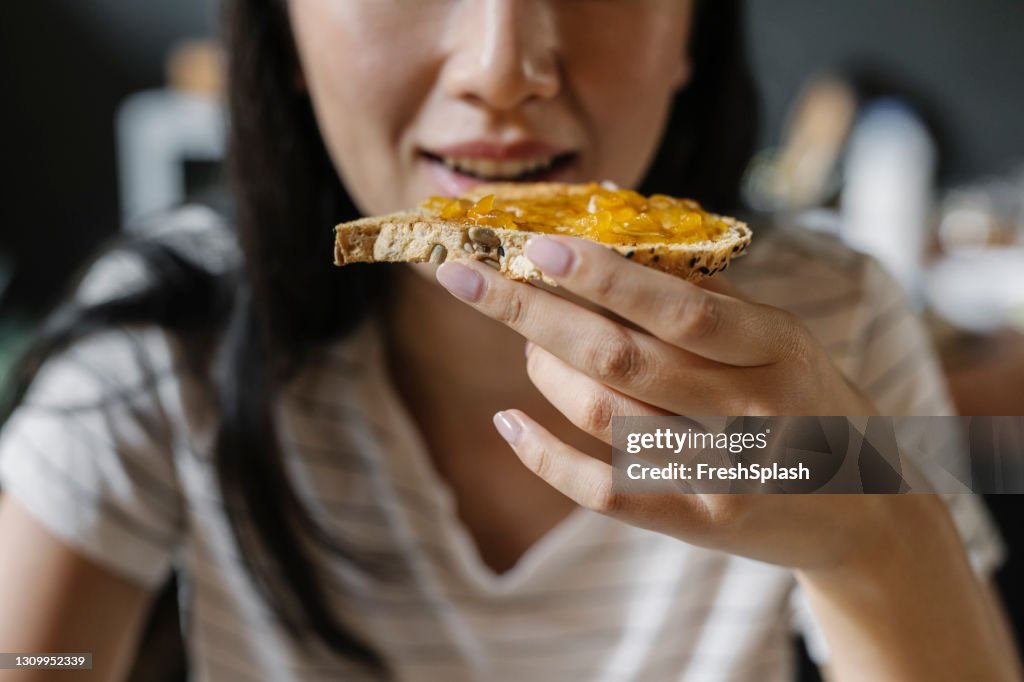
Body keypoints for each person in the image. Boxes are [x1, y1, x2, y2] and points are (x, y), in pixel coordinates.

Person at [0, 1, 1018, 680]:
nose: (504, 68)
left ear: (693, 33)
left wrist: (873, 539)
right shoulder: (167, 339)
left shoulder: (824, 325)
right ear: (282, 32)